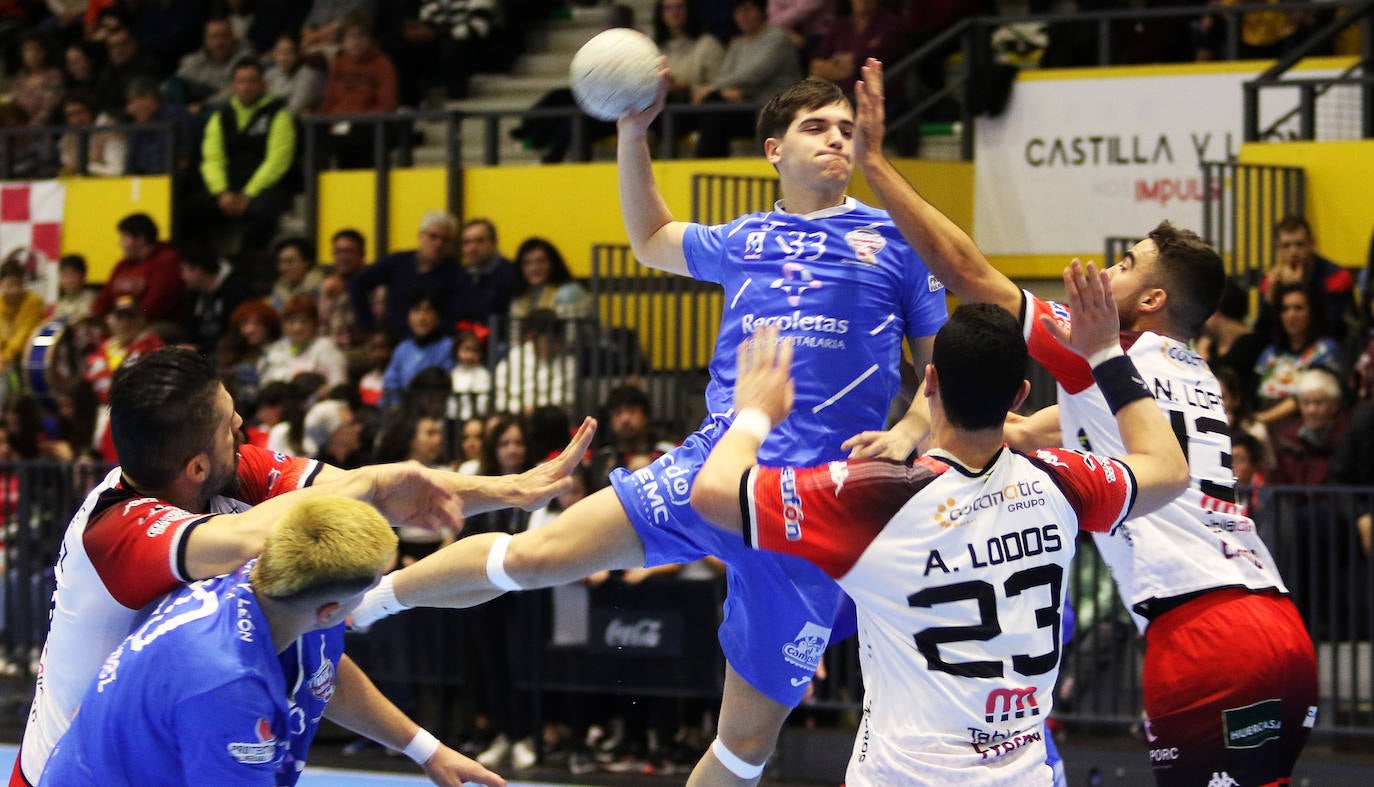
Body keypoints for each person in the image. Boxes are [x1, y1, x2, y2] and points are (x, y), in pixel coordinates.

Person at [349, 75, 949, 785]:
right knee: (536, 555)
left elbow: (939, 382)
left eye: (846, 128)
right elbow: (653, 238)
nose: (836, 139)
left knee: (743, 747)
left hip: (811, 505)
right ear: (772, 150)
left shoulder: (897, 241)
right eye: (817, 126)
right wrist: (633, 136)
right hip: (713, 467)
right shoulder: (746, 236)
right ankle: (364, 606)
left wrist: (909, 429)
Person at [851, 58, 1317, 787]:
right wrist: (927, 433)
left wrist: (874, 165)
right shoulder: (1191, 377)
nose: (1109, 271)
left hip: (1203, 635)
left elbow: (969, 274)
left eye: (1127, 264)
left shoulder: (1106, 351)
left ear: (1154, 299)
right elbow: (1040, 431)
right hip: (1281, 626)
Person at [12, 346, 594, 784]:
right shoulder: (115, 530)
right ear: (193, 467)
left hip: (164, 743)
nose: (242, 428)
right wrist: (372, 483)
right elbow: (244, 537)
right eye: (228, 421)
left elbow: (384, 497)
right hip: (77, 768)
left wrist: (510, 489)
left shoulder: (229, 473)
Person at [692, 289, 1189, 782]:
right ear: (1020, 395)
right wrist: (1104, 353)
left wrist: (755, 412)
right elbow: (1169, 468)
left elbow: (712, 493)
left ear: (929, 383)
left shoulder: (874, 497)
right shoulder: (1063, 481)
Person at [38, 496, 506, 787]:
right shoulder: (226, 687)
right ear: (332, 611)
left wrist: (426, 750)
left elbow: (324, 675)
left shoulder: (275, 584)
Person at [192, 57, 298, 254]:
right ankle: (202, 265)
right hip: (228, 186)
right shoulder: (220, 116)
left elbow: (278, 161)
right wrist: (222, 192)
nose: (246, 87)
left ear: (262, 84)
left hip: (265, 187)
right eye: (241, 81)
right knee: (192, 208)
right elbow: (212, 158)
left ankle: (249, 263)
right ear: (234, 86)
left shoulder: (279, 115)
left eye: (251, 81)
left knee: (264, 212)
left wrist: (248, 194)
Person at [692, 0, 802, 158]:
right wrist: (725, 90)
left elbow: (756, 73)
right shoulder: (738, 44)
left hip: (775, 107)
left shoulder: (778, 38)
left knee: (714, 102)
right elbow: (724, 75)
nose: (742, 16)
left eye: (748, 9)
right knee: (713, 109)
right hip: (745, 104)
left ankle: (705, 161)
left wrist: (715, 87)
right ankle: (707, 163)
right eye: (738, 11)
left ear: (762, 12)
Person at [350, 211, 465, 340]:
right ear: (420, 236)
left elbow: (455, 315)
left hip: (435, 345)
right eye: (433, 237)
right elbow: (358, 284)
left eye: (446, 240)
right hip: (393, 341)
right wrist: (368, 327)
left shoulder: (456, 273)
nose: (439, 244)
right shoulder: (398, 262)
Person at [313, 16, 399, 169]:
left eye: (361, 36)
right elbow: (329, 101)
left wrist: (357, 118)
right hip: (337, 122)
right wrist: (317, 118)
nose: (355, 41)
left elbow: (387, 105)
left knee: (355, 136)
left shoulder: (382, 64)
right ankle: (316, 188)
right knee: (310, 133)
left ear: (370, 39)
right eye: (350, 36)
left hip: (366, 124)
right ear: (344, 40)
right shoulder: (339, 63)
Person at [1253, 283, 1344, 426]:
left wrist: (1262, 419)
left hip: (1305, 426)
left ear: (1312, 312)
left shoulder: (1325, 350)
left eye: (1298, 308)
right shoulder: (1270, 353)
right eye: (1285, 309)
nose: (1291, 315)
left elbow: (1311, 396)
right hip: (1264, 423)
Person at [1257, 214, 1355, 341]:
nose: (1293, 252)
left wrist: (1298, 287)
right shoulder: (1270, 281)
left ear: (1312, 244)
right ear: (1278, 249)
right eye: (1286, 246)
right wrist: (1269, 299)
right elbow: (1261, 333)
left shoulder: (1337, 277)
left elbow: (1333, 325)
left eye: (1299, 244)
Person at [91, 213, 186, 325]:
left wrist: (127, 319)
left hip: (157, 324)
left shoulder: (167, 261)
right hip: (122, 322)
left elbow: (156, 304)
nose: (120, 243)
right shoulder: (122, 265)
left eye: (124, 237)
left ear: (141, 239)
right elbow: (104, 299)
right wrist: (92, 318)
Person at [259, 294, 348, 388]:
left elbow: (338, 384)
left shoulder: (326, 347)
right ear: (283, 325)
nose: (297, 328)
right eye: (291, 322)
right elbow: (266, 385)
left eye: (304, 321)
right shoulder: (275, 350)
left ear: (314, 324)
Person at [181, 244, 252, 356]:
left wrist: (200, 348)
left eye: (184, 270)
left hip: (225, 351)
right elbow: (191, 329)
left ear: (198, 270)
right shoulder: (194, 293)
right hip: (200, 350)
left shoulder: (234, 289)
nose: (182, 276)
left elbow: (233, 334)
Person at [173, 17, 255, 108]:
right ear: (206, 40)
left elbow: (236, 90)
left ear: (232, 37)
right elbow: (178, 78)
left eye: (224, 36)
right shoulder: (197, 60)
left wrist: (204, 105)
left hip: (224, 106)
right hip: (197, 101)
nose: (220, 42)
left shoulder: (245, 59)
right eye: (214, 37)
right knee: (174, 85)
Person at [508, 237, 591, 320]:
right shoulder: (520, 297)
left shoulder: (568, 292)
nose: (534, 268)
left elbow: (571, 332)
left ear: (553, 264)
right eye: (527, 263)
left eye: (541, 261)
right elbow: (516, 331)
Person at [458, 218, 516, 325]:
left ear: (494, 243)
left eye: (479, 241)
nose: (472, 248)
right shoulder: (459, 276)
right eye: (467, 242)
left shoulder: (512, 274)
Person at [264, 31, 326, 116]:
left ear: (298, 54)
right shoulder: (270, 75)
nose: (283, 58)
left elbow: (294, 109)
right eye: (279, 53)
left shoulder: (307, 76)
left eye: (288, 53)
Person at [269, 237, 327, 311]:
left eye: (289, 262)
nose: (282, 268)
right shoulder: (279, 289)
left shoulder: (324, 288)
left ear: (307, 263)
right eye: (281, 262)